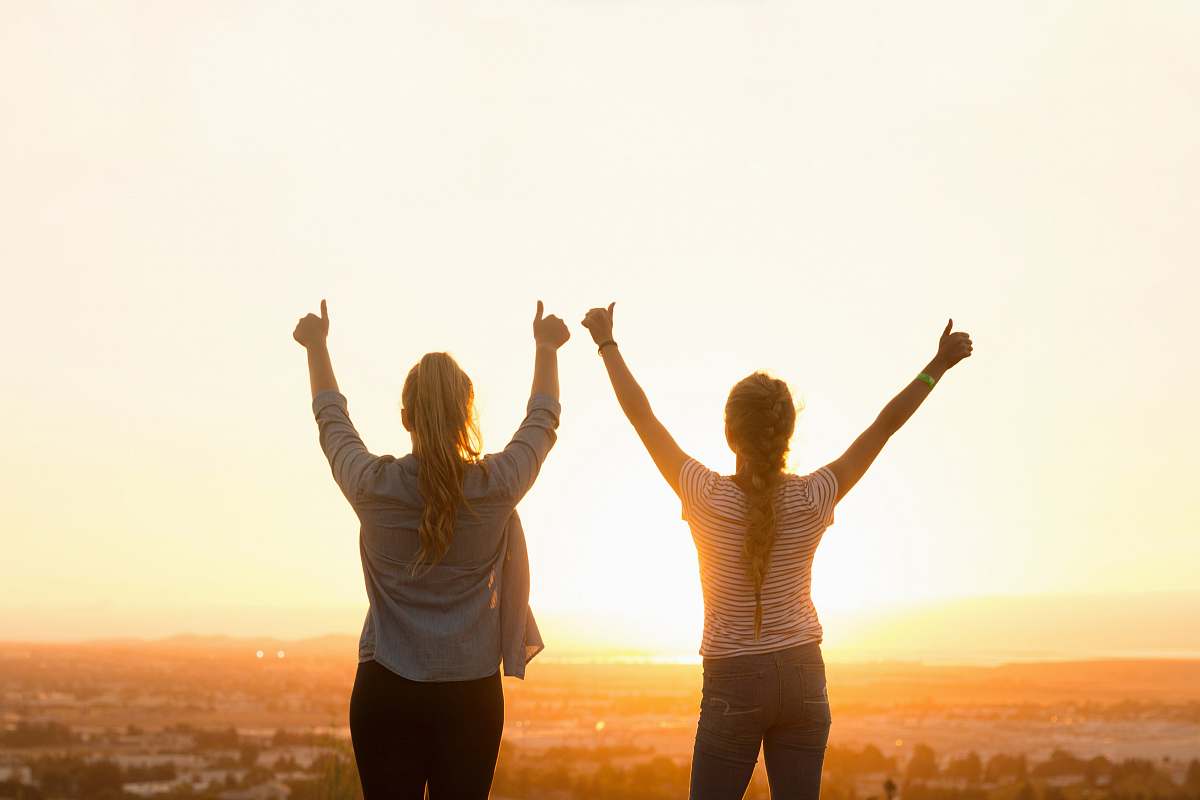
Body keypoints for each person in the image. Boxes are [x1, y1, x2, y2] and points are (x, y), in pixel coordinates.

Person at [580, 303, 973, 800]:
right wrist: (936, 365)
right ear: (787, 432)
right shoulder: (814, 496)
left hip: (732, 680)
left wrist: (607, 343)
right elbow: (883, 426)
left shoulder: (703, 495)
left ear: (729, 433)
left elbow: (642, 417)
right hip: (804, 675)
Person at [292, 299, 571, 799]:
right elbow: (542, 422)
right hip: (471, 698)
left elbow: (331, 421)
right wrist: (547, 347)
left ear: (405, 417)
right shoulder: (497, 486)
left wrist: (316, 346)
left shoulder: (372, 487)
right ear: (468, 414)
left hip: (386, 691)